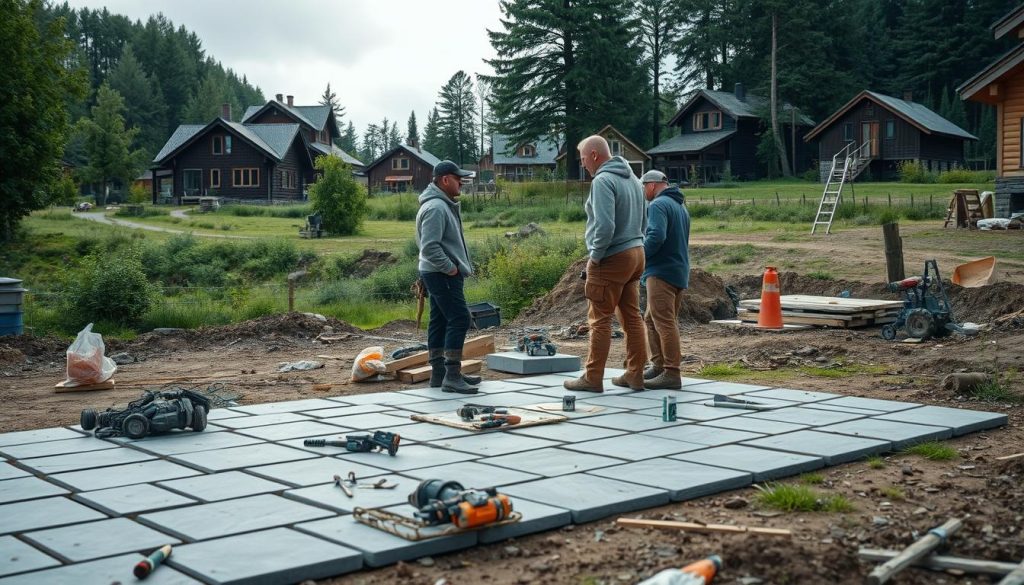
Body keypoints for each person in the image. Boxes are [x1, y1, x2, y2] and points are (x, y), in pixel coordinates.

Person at [564, 136, 648, 393]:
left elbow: (605, 226)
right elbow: (645, 217)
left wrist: (595, 258)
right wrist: (637, 241)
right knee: (632, 317)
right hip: (637, 253)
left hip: (612, 257)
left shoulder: (603, 180)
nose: (583, 165)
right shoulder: (633, 179)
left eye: (583, 159)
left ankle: (592, 377)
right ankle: (635, 374)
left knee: (599, 319)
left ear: (595, 155)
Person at [416, 160, 481, 394]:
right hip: (441, 273)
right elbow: (430, 247)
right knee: (460, 319)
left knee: (440, 319)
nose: (461, 182)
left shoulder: (440, 204)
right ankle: (451, 376)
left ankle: (439, 374)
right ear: (445, 180)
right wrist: (451, 268)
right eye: (457, 178)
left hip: (436, 272)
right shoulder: (436, 207)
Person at [639, 170, 691, 390]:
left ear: (651, 185)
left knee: (664, 322)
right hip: (679, 271)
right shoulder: (680, 207)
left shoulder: (658, 205)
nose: (643, 192)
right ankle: (659, 366)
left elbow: (656, 236)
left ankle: (671, 372)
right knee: (652, 319)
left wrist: (639, 257)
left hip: (661, 271)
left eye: (643, 188)